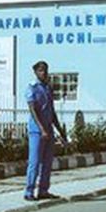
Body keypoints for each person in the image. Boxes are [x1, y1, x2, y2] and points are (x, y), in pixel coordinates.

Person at [24, 60, 66, 201]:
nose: (44, 73)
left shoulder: (48, 88)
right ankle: (29, 191)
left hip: (48, 129)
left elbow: (52, 111)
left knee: (47, 163)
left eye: (45, 70)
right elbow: (33, 110)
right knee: (35, 162)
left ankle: (43, 190)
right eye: (41, 70)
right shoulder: (32, 88)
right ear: (36, 72)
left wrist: (60, 130)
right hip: (37, 131)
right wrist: (41, 129)